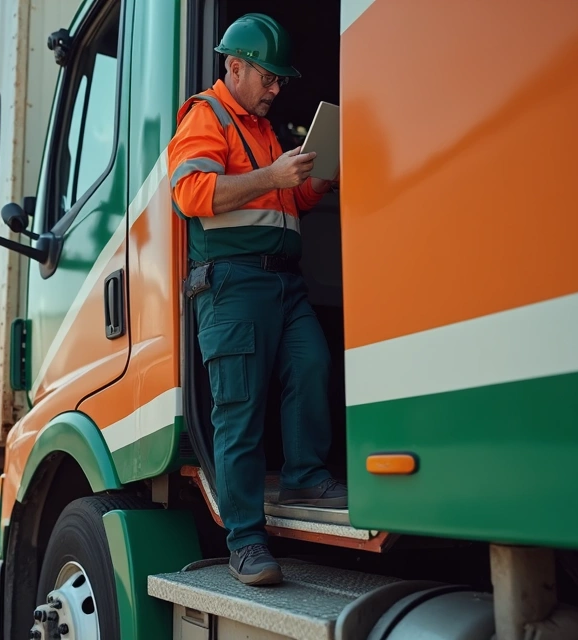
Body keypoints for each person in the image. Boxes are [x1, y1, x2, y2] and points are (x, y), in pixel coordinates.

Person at [167, 13, 346, 587]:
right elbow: (191, 194)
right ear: (234, 66)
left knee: (313, 365)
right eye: (268, 79)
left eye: (279, 81)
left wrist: (316, 179)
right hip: (234, 284)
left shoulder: (264, 127)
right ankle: (244, 541)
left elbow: (285, 202)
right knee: (239, 412)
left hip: (284, 282)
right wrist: (273, 174)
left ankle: (304, 476)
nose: (276, 89)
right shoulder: (207, 115)